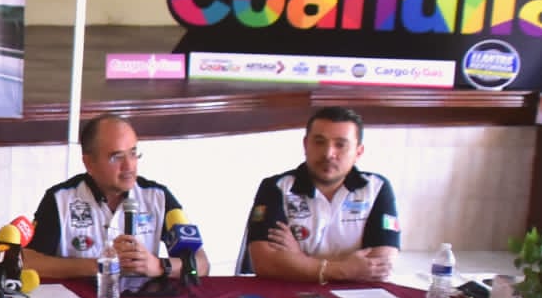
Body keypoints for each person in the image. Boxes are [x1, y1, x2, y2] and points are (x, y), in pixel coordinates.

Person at [23, 114, 211, 283]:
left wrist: (159, 266)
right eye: (117, 157)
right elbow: (27, 261)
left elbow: (202, 265)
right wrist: (100, 265)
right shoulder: (60, 199)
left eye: (133, 153)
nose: (129, 166)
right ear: (89, 163)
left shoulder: (157, 196)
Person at [245, 107, 400, 283]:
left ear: (358, 152)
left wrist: (299, 259)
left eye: (340, 145)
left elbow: (380, 266)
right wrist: (344, 270)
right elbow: (265, 263)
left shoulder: (377, 188)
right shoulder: (276, 187)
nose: (328, 154)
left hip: (356, 295)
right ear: (306, 145)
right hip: (290, 292)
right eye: (319, 142)